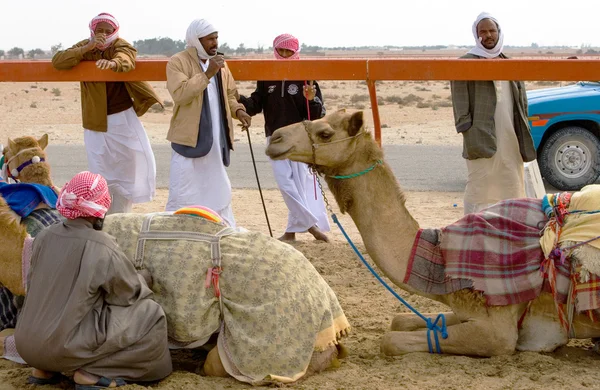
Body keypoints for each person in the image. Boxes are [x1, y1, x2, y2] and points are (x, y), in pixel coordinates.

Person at [14, 171, 172, 388]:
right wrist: (143, 278)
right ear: (100, 210)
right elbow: (128, 295)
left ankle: (43, 371)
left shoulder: (44, 236)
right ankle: (93, 375)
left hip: (26, 346)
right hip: (62, 347)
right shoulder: (102, 245)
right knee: (151, 313)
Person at [52, 13, 159, 215]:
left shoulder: (120, 45)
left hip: (122, 117)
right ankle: (102, 211)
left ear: (115, 32)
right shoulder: (86, 46)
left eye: (107, 31)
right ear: (92, 31)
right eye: (98, 30)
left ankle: (123, 212)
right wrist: (87, 48)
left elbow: (126, 58)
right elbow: (58, 61)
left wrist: (112, 65)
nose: (102, 35)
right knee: (101, 169)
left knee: (132, 164)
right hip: (95, 121)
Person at [239, 33, 330, 241]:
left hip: (299, 140)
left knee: (298, 186)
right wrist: (237, 99)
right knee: (285, 184)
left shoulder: (306, 76)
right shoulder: (266, 75)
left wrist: (311, 99)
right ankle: (312, 227)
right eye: (281, 50)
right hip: (275, 138)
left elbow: (318, 114)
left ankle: (290, 233)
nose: (285, 55)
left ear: (296, 52)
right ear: (275, 50)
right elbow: (256, 104)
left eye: (289, 51)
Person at [165, 19, 251, 228]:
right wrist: (207, 74)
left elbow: (229, 94)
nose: (215, 43)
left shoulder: (221, 65)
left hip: (216, 137)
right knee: (183, 187)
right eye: (209, 39)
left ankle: (220, 229)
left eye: (216, 38)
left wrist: (239, 110)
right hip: (189, 138)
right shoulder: (178, 62)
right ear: (197, 40)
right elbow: (181, 94)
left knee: (218, 188)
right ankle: (176, 230)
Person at [451, 12, 537, 215]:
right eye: (483, 31)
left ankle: (510, 227)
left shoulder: (510, 63)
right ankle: (475, 228)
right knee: (480, 184)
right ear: (476, 34)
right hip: (480, 135)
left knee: (511, 181)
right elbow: (459, 100)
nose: (488, 35)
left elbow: (521, 103)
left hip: (510, 135)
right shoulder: (465, 63)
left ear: (499, 32)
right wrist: (466, 130)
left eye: (492, 30)